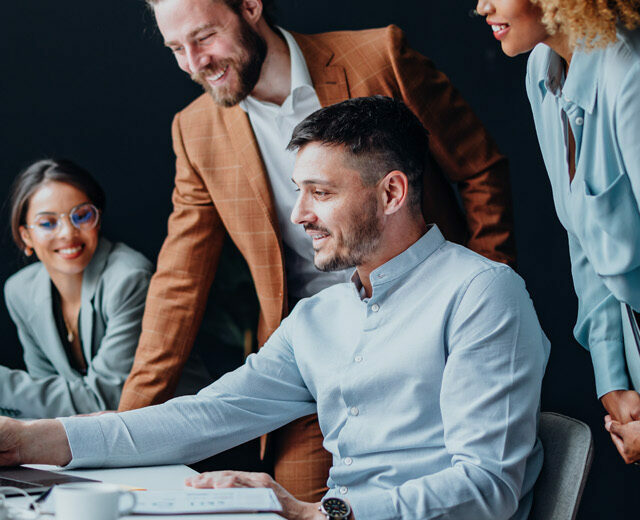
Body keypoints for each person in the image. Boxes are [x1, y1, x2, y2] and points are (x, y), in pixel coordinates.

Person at [0, 97, 549, 520]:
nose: (299, 215)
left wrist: (317, 512)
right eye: (297, 192)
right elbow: (202, 416)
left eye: (321, 193)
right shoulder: (319, 317)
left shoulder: (482, 293)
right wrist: (27, 439)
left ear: (391, 193)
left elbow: (488, 489)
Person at [120, 0, 518, 498]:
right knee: (295, 503)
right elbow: (180, 280)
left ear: (250, 7)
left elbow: (478, 169)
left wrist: (481, 300)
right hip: (312, 359)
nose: (193, 62)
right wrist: (126, 428)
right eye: (176, 48)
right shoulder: (196, 130)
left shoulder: (380, 56)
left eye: (204, 37)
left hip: (429, 336)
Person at [474, 0, 640, 461]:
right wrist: (612, 377)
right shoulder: (541, 73)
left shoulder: (630, 72)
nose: (481, 7)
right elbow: (584, 240)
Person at [0, 158, 153, 418]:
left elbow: (105, 398)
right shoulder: (20, 291)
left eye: (82, 216)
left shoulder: (129, 279)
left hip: (171, 437)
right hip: (99, 443)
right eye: (48, 222)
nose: (68, 233)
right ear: (26, 237)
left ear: (98, 219)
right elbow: (46, 398)